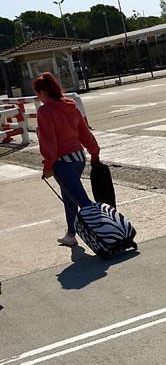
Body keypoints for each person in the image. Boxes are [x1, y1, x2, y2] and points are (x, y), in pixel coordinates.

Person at [34, 72, 99, 247]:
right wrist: (94, 152)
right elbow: (85, 133)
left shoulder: (45, 111)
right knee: (69, 197)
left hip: (63, 163)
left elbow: (49, 142)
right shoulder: (71, 107)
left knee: (83, 202)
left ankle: (106, 232)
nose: (38, 97)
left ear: (43, 93)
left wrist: (48, 166)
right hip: (79, 159)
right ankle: (71, 234)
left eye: (37, 93)